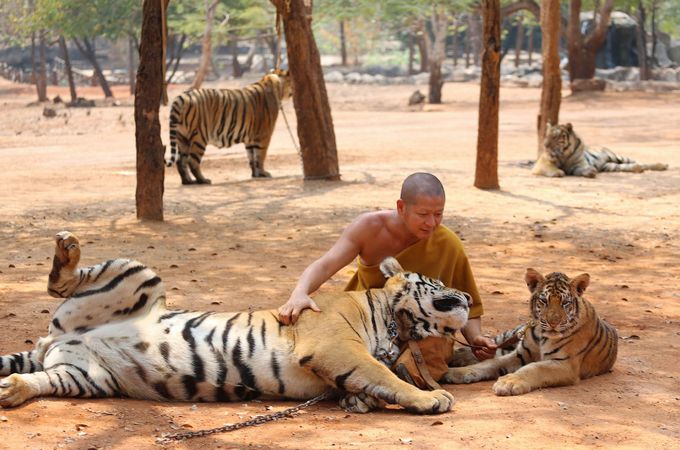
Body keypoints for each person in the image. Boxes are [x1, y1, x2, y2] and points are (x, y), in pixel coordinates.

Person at [277, 172, 496, 385]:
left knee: (431, 351)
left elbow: (469, 304)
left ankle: (388, 378)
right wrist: (299, 293)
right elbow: (325, 265)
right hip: (365, 323)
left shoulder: (449, 244)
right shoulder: (369, 228)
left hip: (415, 332)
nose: (431, 223)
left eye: (438, 214)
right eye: (423, 214)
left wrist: (475, 338)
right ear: (401, 207)